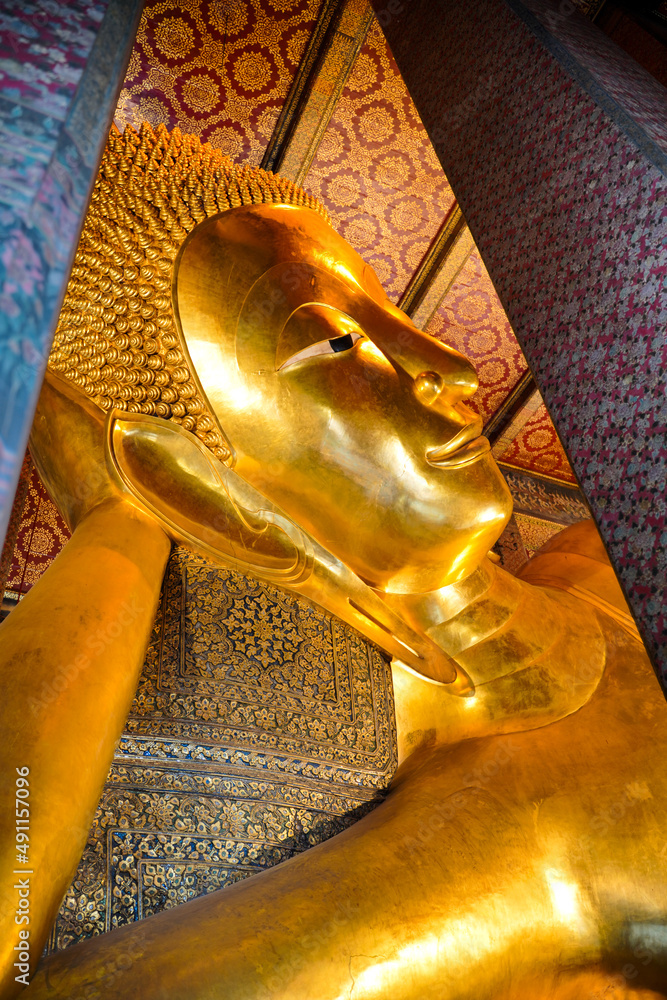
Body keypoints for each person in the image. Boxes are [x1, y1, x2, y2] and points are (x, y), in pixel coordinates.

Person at [2, 124, 666, 999]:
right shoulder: (503, 855)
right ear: (185, 474)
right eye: (337, 347)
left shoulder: (598, 559)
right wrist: (121, 517)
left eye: (391, 317)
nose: (453, 368)